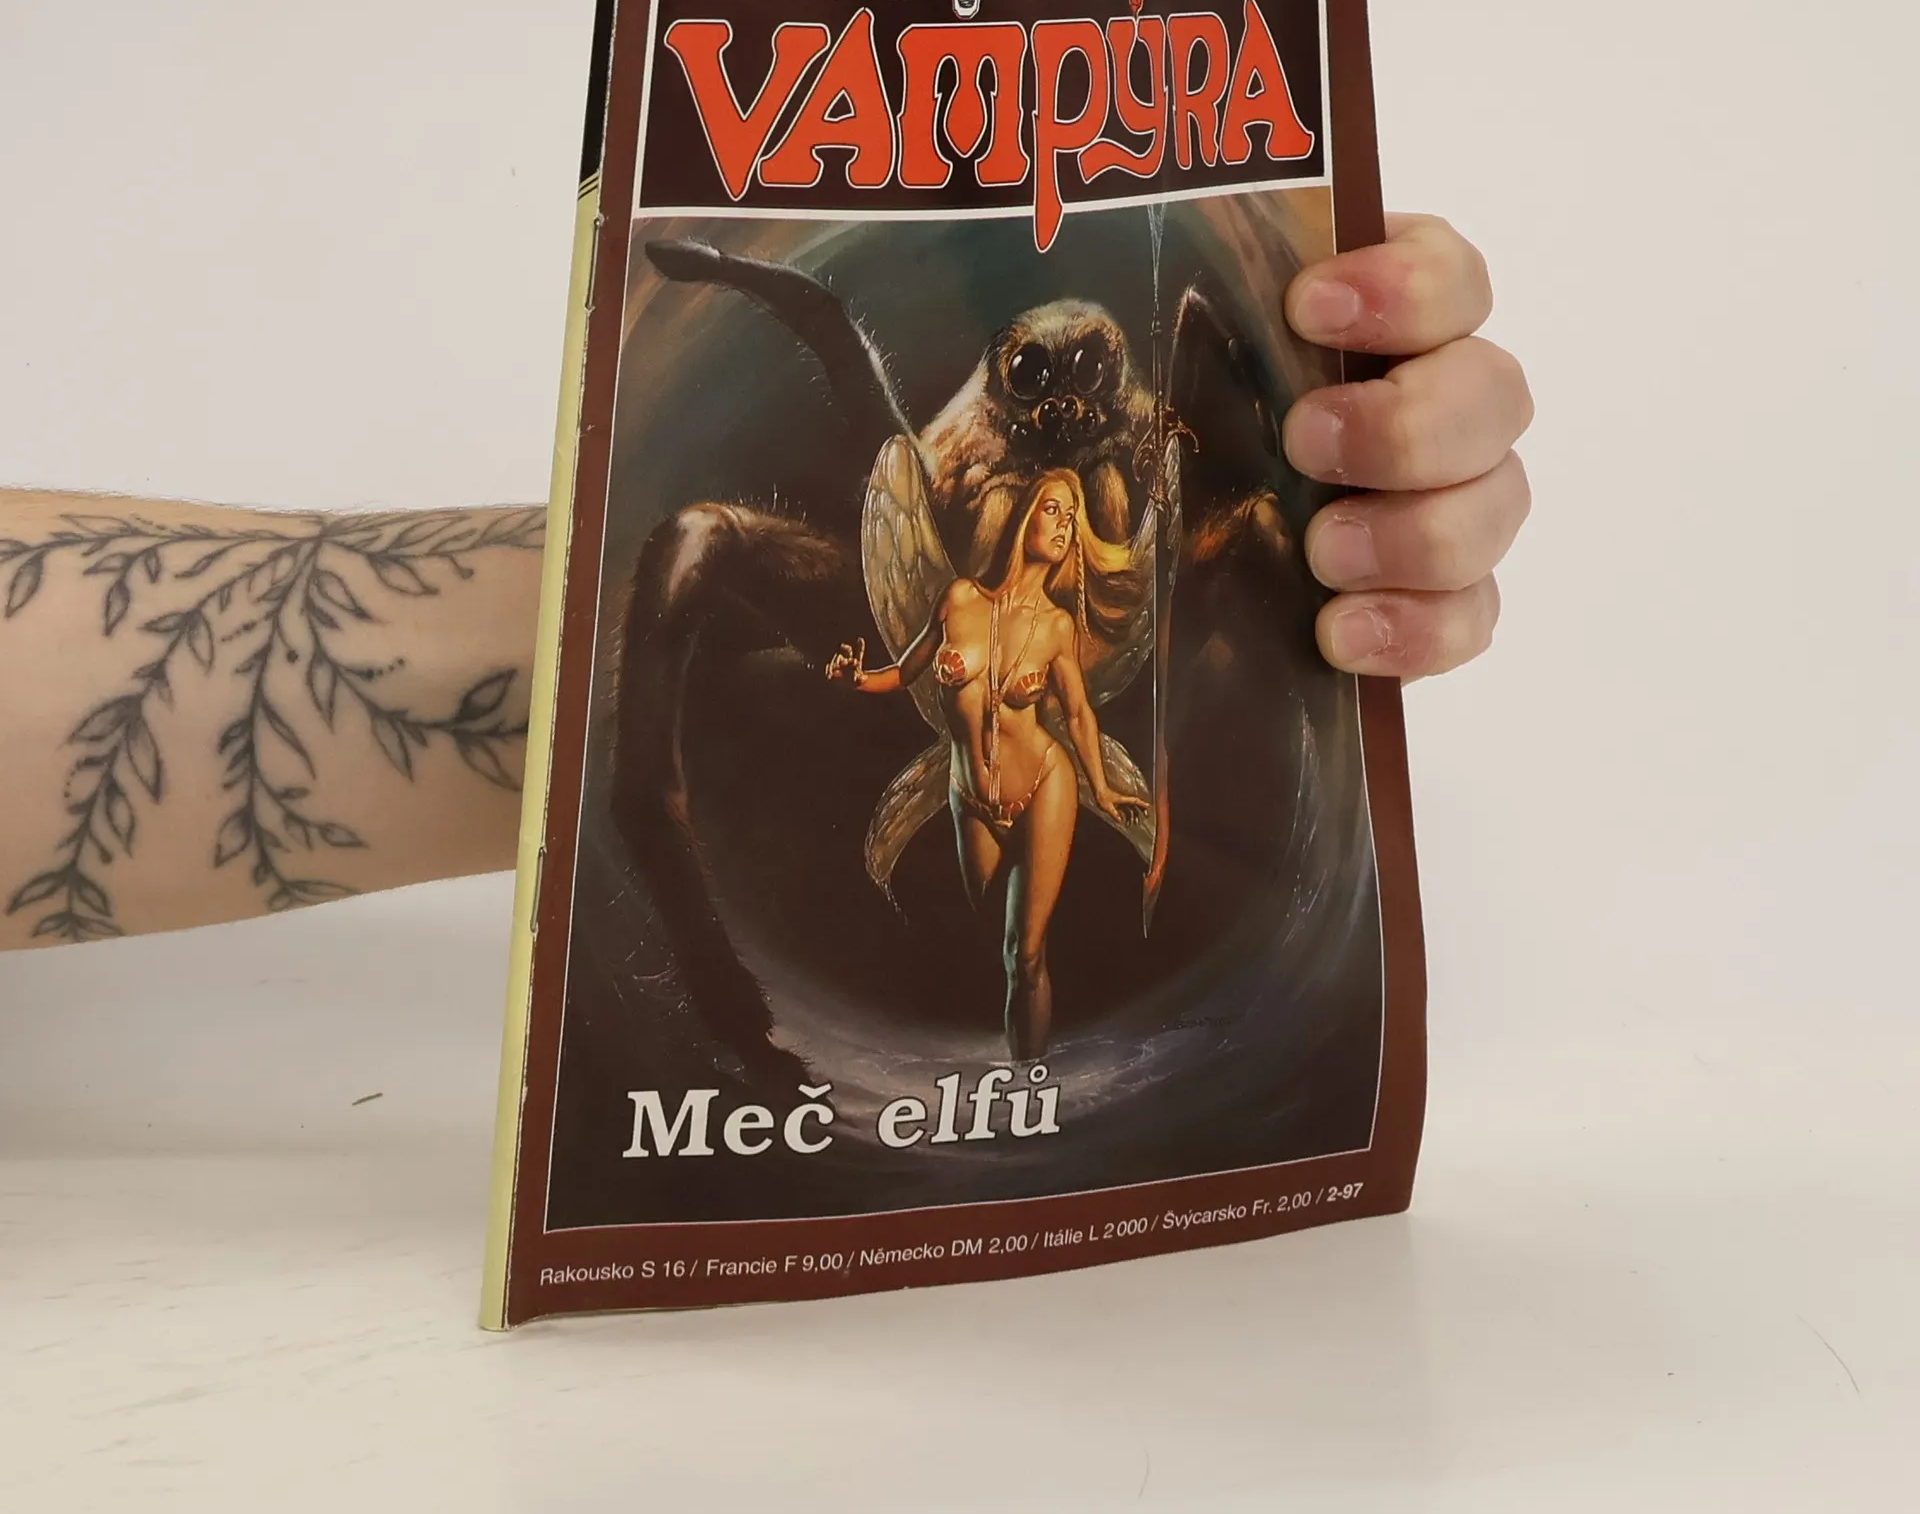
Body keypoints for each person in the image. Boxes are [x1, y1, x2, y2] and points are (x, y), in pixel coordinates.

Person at [0, 214, 1531, 951]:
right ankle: (670, 840)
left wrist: (1323, 444)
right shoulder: (935, 475)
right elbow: (831, 371)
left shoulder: (1145, 457)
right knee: (710, 542)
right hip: (933, 644)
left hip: (1083, 673)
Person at [826, 468, 1149, 1059]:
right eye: (1053, 509)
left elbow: (1079, 713)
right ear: (1026, 516)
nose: (1063, 524)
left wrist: (1101, 788)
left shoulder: (1056, 627)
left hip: (1044, 783)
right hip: (969, 797)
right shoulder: (959, 600)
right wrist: (857, 680)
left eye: (1072, 518)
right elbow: (903, 671)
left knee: (1025, 955)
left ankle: (1029, 1076)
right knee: (991, 941)